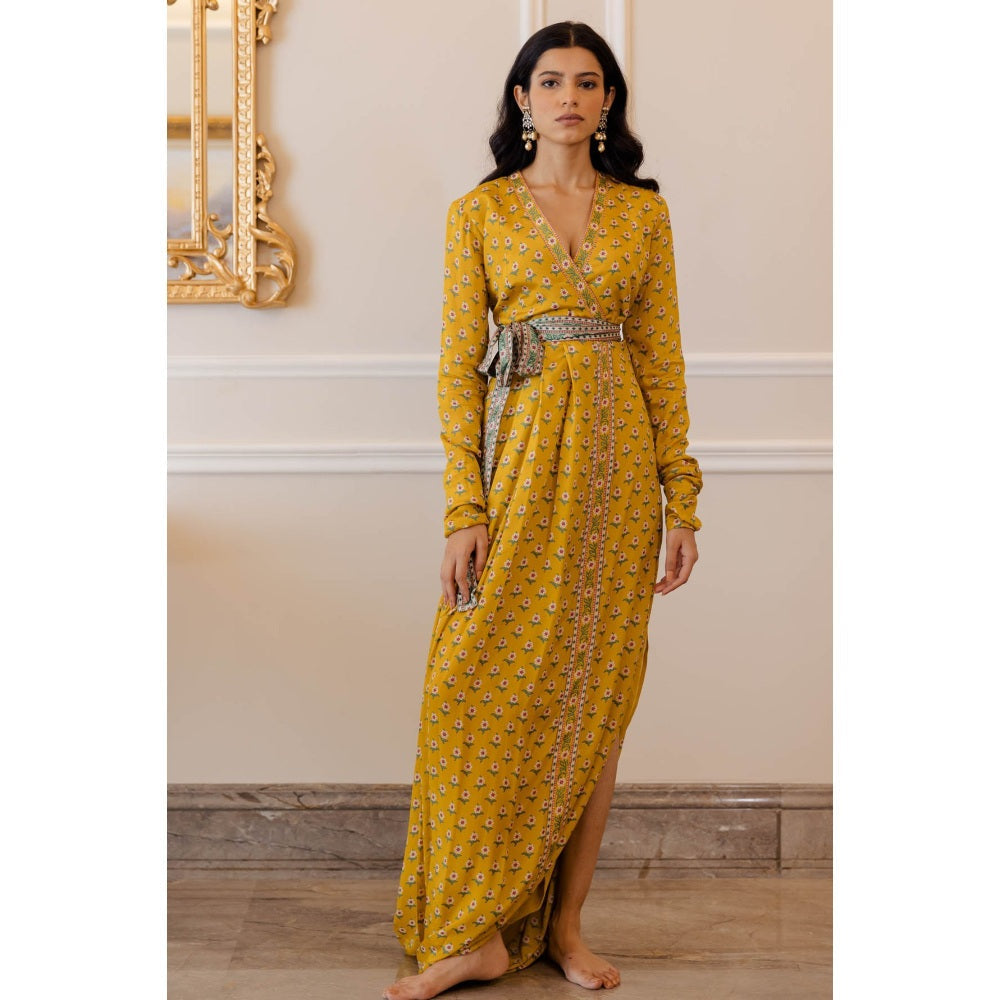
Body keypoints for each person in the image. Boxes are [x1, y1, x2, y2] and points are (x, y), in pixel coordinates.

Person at [384, 20, 703, 1000]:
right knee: (468, 686)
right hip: (519, 471)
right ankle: (476, 929)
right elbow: (456, 372)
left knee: (595, 700)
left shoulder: (642, 217)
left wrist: (681, 499)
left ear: (608, 102)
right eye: (551, 80)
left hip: (616, 480)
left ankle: (564, 927)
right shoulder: (478, 213)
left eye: (588, 81)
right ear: (522, 98)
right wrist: (463, 507)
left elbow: (660, 361)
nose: (570, 96)